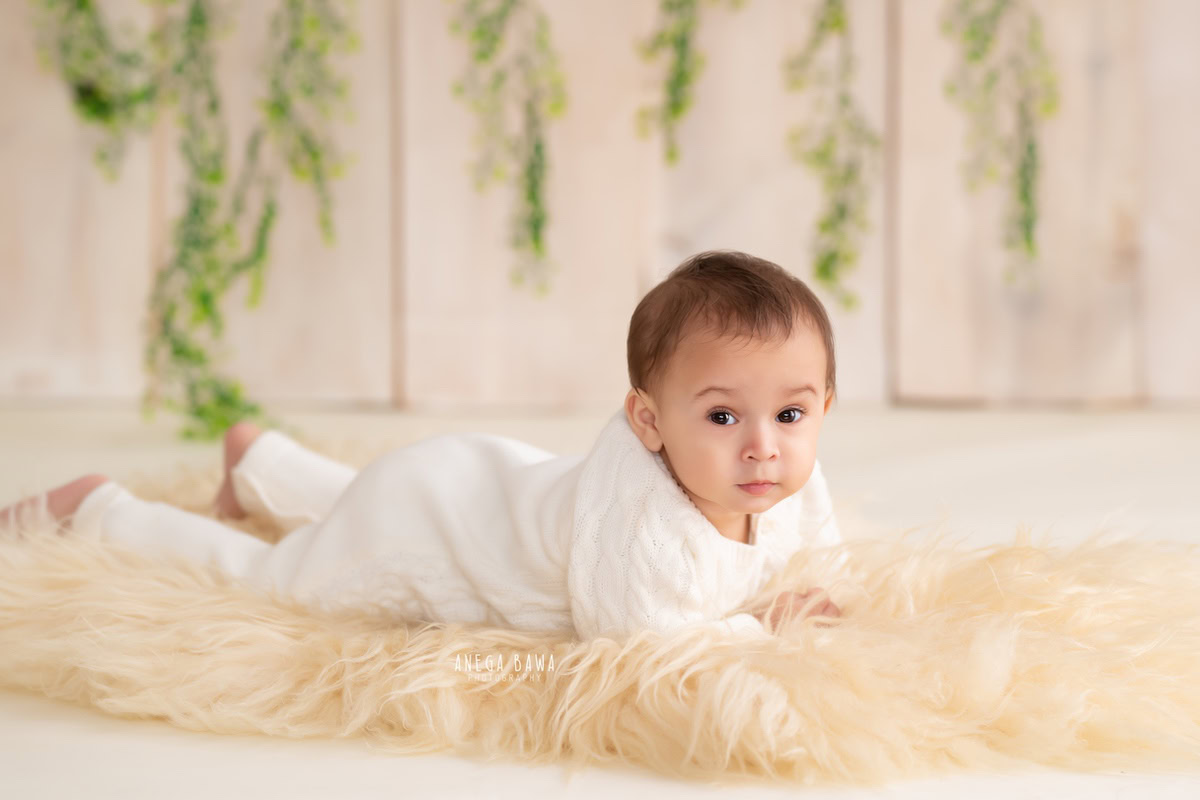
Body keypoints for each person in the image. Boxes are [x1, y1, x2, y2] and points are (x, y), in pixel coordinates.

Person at [0, 250, 844, 639]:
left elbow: (819, 558)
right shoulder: (641, 519)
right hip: (433, 522)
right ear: (647, 421)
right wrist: (761, 629)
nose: (764, 449)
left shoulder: (785, 479)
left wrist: (820, 595)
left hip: (473, 484)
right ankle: (100, 510)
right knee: (283, 581)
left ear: (822, 407)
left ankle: (258, 461)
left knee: (350, 506)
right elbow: (636, 639)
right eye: (724, 418)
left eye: (791, 417)